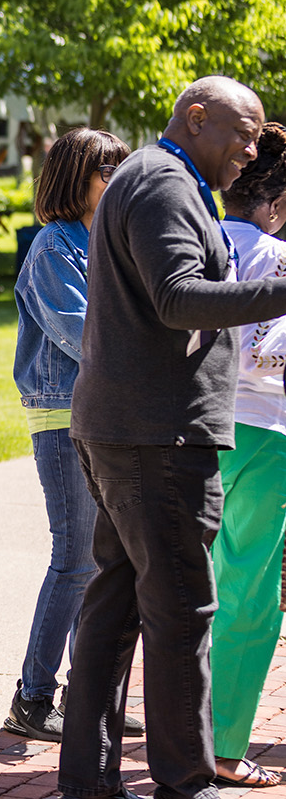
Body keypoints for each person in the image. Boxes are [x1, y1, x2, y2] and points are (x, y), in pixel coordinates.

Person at [59, 77, 286, 799]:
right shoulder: (163, 183)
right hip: (157, 437)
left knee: (116, 605)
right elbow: (178, 297)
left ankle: (90, 782)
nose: (252, 151)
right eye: (244, 133)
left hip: (130, 429)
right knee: (182, 611)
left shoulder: (154, 179)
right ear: (196, 118)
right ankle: (189, 785)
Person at [7, 127, 139, 743]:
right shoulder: (54, 246)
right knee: (77, 557)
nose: (116, 178)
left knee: (109, 562)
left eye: (121, 166)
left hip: (105, 415)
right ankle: (34, 699)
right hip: (64, 415)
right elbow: (80, 331)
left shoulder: (104, 240)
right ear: (72, 178)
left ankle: (92, 697)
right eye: (104, 169)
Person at [210, 123, 286, 789]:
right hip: (264, 433)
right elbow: (273, 352)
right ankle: (226, 742)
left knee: (193, 584)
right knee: (252, 593)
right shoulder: (275, 257)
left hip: (196, 426)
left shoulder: (201, 239)